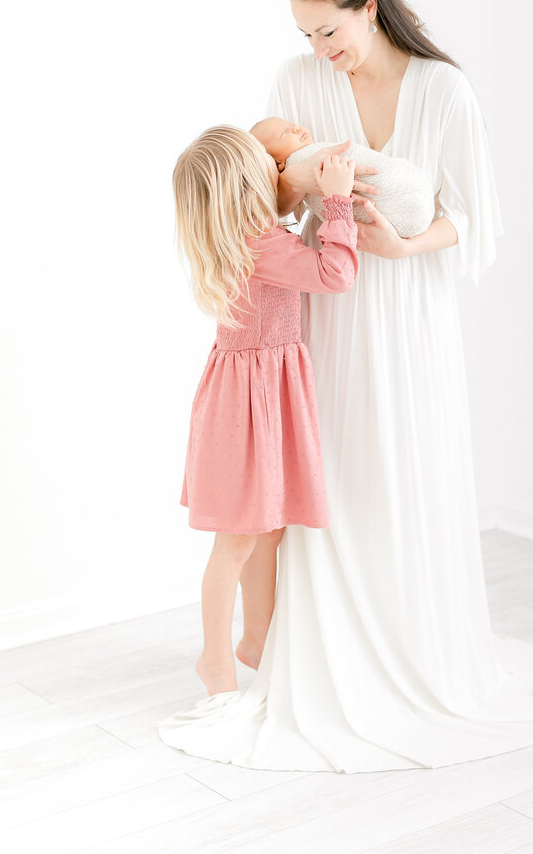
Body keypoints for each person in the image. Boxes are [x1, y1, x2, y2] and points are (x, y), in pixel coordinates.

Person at [158, 0, 533, 772]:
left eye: (329, 32)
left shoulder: (444, 91)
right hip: (317, 321)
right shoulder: (296, 83)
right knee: (322, 489)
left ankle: (407, 650)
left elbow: (470, 218)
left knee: (401, 472)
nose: (319, 51)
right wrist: (310, 198)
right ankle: (296, 653)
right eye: (306, 34)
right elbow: (271, 191)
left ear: (368, 6)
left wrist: (398, 245)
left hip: (404, 309)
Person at [169, 123, 359, 699]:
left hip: (250, 401)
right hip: (252, 407)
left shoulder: (238, 235)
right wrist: (338, 200)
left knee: (265, 531)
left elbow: (273, 208)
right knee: (237, 540)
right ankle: (214, 659)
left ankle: (256, 641)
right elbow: (336, 274)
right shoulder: (261, 244)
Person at [250, 114, 436, 236]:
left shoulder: (320, 150)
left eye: (291, 125)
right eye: (283, 134)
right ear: (278, 164)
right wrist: (292, 178)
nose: (296, 128)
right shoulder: (297, 162)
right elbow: (276, 207)